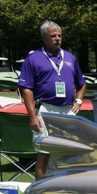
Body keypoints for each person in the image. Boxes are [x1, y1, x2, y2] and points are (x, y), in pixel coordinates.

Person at [18, 20, 86, 178]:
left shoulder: (69, 57)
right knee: (45, 152)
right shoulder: (34, 58)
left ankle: (64, 187)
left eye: (59, 36)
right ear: (43, 38)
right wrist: (32, 116)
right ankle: (41, 192)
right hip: (46, 109)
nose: (57, 39)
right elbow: (26, 88)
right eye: (53, 36)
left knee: (69, 151)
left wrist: (79, 102)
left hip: (67, 110)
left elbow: (81, 84)